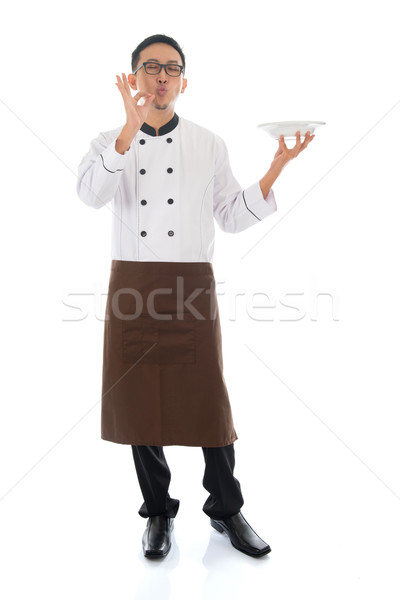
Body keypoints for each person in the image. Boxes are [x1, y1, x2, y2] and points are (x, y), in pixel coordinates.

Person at [76, 34, 314, 560]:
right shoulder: (105, 140)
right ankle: (158, 512)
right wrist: (127, 134)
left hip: (191, 285)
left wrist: (276, 168)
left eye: (172, 68)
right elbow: (91, 196)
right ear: (132, 77)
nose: (161, 76)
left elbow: (230, 217)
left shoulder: (209, 143)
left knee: (209, 400)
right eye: (150, 67)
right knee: (140, 403)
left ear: (184, 81)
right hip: (132, 284)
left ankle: (226, 510)